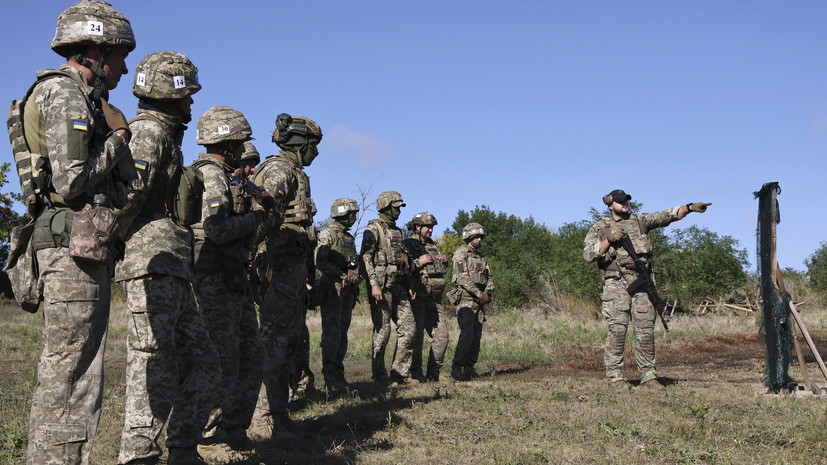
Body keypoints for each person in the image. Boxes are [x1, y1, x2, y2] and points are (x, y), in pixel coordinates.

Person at [18, 2, 135, 463]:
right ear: (95, 50)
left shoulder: (70, 94)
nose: (124, 68)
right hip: (71, 248)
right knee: (73, 376)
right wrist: (117, 144)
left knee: (66, 371)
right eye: (119, 56)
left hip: (71, 244)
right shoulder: (66, 94)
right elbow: (71, 179)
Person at [114, 51, 220, 465]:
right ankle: (137, 455)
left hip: (172, 265)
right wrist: (108, 249)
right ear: (169, 94)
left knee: (204, 361)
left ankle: (181, 449)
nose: (192, 104)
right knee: (152, 362)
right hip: (150, 263)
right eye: (187, 95)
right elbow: (128, 199)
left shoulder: (164, 136)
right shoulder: (148, 135)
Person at [189, 106, 267, 449]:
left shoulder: (225, 175)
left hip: (232, 278)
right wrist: (257, 217)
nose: (243, 149)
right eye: (241, 142)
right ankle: (207, 436)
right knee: (220, 361)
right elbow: (216, 229)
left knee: (250, 354)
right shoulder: (212, 174)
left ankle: (234, 430)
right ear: (230, 142)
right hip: (213, 278)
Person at [583, 189, 711, 389]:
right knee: (617, 330)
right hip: (616, 283)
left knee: (645, 330)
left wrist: (689, 208)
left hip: (642, 282)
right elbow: (589, 254)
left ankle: (649, 376)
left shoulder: (640, 220)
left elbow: (665, 216)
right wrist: (609, 240)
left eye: (626, 200)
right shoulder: (601, 227)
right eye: (620, 201)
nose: (625, 204)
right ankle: (615, 378)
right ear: (610, 205)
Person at [250, 113, 321, 439]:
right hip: (277, 267)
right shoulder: (279, 170)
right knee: (273, 343)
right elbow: (259, 215)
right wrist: (257, 260)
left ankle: (279, 416)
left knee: (288, 344)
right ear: (298, 143)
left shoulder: (295, 173)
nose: (315, 152)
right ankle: (262, 421)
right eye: (312, 145)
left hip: (292, 269)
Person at [360, 190, 416, 385]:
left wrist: (408, 283)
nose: (399, 211)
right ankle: (379, 375)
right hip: (382, 288)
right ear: (385, 207)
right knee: (383, 332)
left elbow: (403, 260)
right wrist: (374, 283)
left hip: (399, 286)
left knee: (409, 328)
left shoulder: (398, 232)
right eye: (396, 207)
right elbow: (366, 258)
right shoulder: (374, 229)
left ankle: (400, 374)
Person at [315, 198, 362, 392]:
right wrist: (339, 275)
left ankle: (338, 375)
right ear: (342, 213)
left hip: (347, 291)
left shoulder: (348, 237)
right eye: (352, 214)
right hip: (332, 289)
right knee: (333, 333)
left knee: (342, 333)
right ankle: (330, 377)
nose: (354, 217)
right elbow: (320, 261)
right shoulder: (329, 233)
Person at [404, 212, 449, 382]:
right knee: (417, 337)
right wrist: (418, 262)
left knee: (442, 336)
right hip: (417, 296)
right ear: (417, 227)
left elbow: (438, 269)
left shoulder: (433, 245)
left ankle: (434, 373)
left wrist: (444, 261)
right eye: (427, 227)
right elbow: (402, 268)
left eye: (432, 227)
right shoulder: (408, 245)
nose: (430, 230)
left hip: (434, 299)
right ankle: (415, 373)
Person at [449, 223, 495, 381]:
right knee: (467, 333)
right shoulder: (461, 253)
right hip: (466, 301)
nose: (479, 239)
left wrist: (487, 292)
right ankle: (456, 367)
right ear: (468, 237)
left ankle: (469, 368)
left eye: (480, 237)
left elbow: (489, 277)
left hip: (479, 302)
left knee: (476, 336)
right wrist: (477, 294)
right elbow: (462, 277)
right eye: (476, 236)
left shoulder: (481, 257)